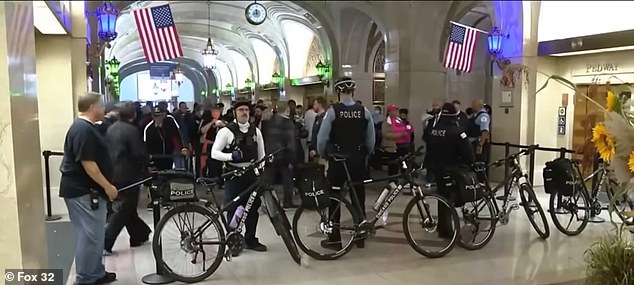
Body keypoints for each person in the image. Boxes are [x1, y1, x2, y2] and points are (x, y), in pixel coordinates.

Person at [59, 92, 117, 284]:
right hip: (83, 191)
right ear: (92, 107)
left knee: (93, 235)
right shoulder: (83, 130)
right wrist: (107, 186)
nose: (104, 109)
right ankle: (85, 278)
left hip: (84, 191)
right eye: (101, 105)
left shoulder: (85, 127)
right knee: (88, 236)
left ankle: (95, 272)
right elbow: (88, 164)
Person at [317, 77, 375, 250]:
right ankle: (360, 237)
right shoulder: (364, 111)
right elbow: (371, 139)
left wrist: (323, 154)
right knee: (358, 197)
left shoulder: (333, 111)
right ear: (353, 92)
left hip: (337, 159)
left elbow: (322, 138)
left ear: (338, 92)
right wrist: (365, 154)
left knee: (334, 198)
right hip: (357, 159)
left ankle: (334, 239)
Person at [211, 100, 267, 254]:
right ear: (235, 112)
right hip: (233, 175)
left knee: (253, 208)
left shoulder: (256, 131)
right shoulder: (226, 131)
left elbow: (261, 155)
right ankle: (233, 241)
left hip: (251, 175)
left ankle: (251, 239)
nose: (244, 112)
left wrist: (261, 171)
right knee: (232, 207)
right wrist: (230, 156)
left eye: (247, 110)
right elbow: (214, 153)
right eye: (241, 110)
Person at [104, 102, 151, 254]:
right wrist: (147, 163)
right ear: (133, 114)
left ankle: (139, 234)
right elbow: (138, 153)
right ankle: (107, 240)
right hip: (129, 175)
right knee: (125, 209)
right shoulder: (131, 130)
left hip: (113, 173)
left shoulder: (111, 128)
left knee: (128, 207)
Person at [423, 102, 475, 238]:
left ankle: (443, 227)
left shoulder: (433, 128)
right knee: (450, 200)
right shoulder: (457, 131)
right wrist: (472, 165)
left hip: (436, 168)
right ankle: (447, 230)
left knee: (442, 198)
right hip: (453, 169)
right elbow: (468, 152)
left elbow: (426, 141)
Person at [260, 102, 298, 208]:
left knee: (267, 180)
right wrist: (292, 158)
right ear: (287, 110)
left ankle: (265, 202)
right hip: (284, 155)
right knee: (287, 180)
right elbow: (291, 142)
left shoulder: (268, 122)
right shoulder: (288, 123)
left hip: (270, 154)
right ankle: (287, 202)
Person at [466, 99, 491, 164]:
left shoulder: (483, 116)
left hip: (477, 143)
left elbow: (485, 131)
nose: (472, 107)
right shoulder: (475, 115)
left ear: (479, 106)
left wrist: (480, 145)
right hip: (472, 143)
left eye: (474, 105)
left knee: (479, 164)